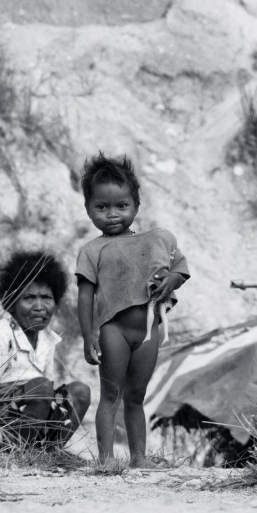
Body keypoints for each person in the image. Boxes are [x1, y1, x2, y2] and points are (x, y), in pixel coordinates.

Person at [75, 153, 189, 467]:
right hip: (114, 330)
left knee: (136, 397)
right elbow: (85, 297)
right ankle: (107, 458)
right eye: (101, 207)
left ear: (136, 206)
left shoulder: (157, 241)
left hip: (149, 330)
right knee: (110, 395)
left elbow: (179, 271)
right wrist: (88, 336)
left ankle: (139, 458)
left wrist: (172, 282)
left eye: (121, 206)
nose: (112, 214)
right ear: (88, 209)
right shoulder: (92, 250)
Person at [0, 251, 91, 451]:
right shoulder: (2, 333)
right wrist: (20, 392)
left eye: (46, 298)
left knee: (80, 392)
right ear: (12, 305)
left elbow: (47, 395)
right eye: (29, 298)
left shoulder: (46, 338)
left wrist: (38, 393)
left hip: (31, 421)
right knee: (41, 386)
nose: (39, 307)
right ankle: (21, 454)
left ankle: (51, 452)